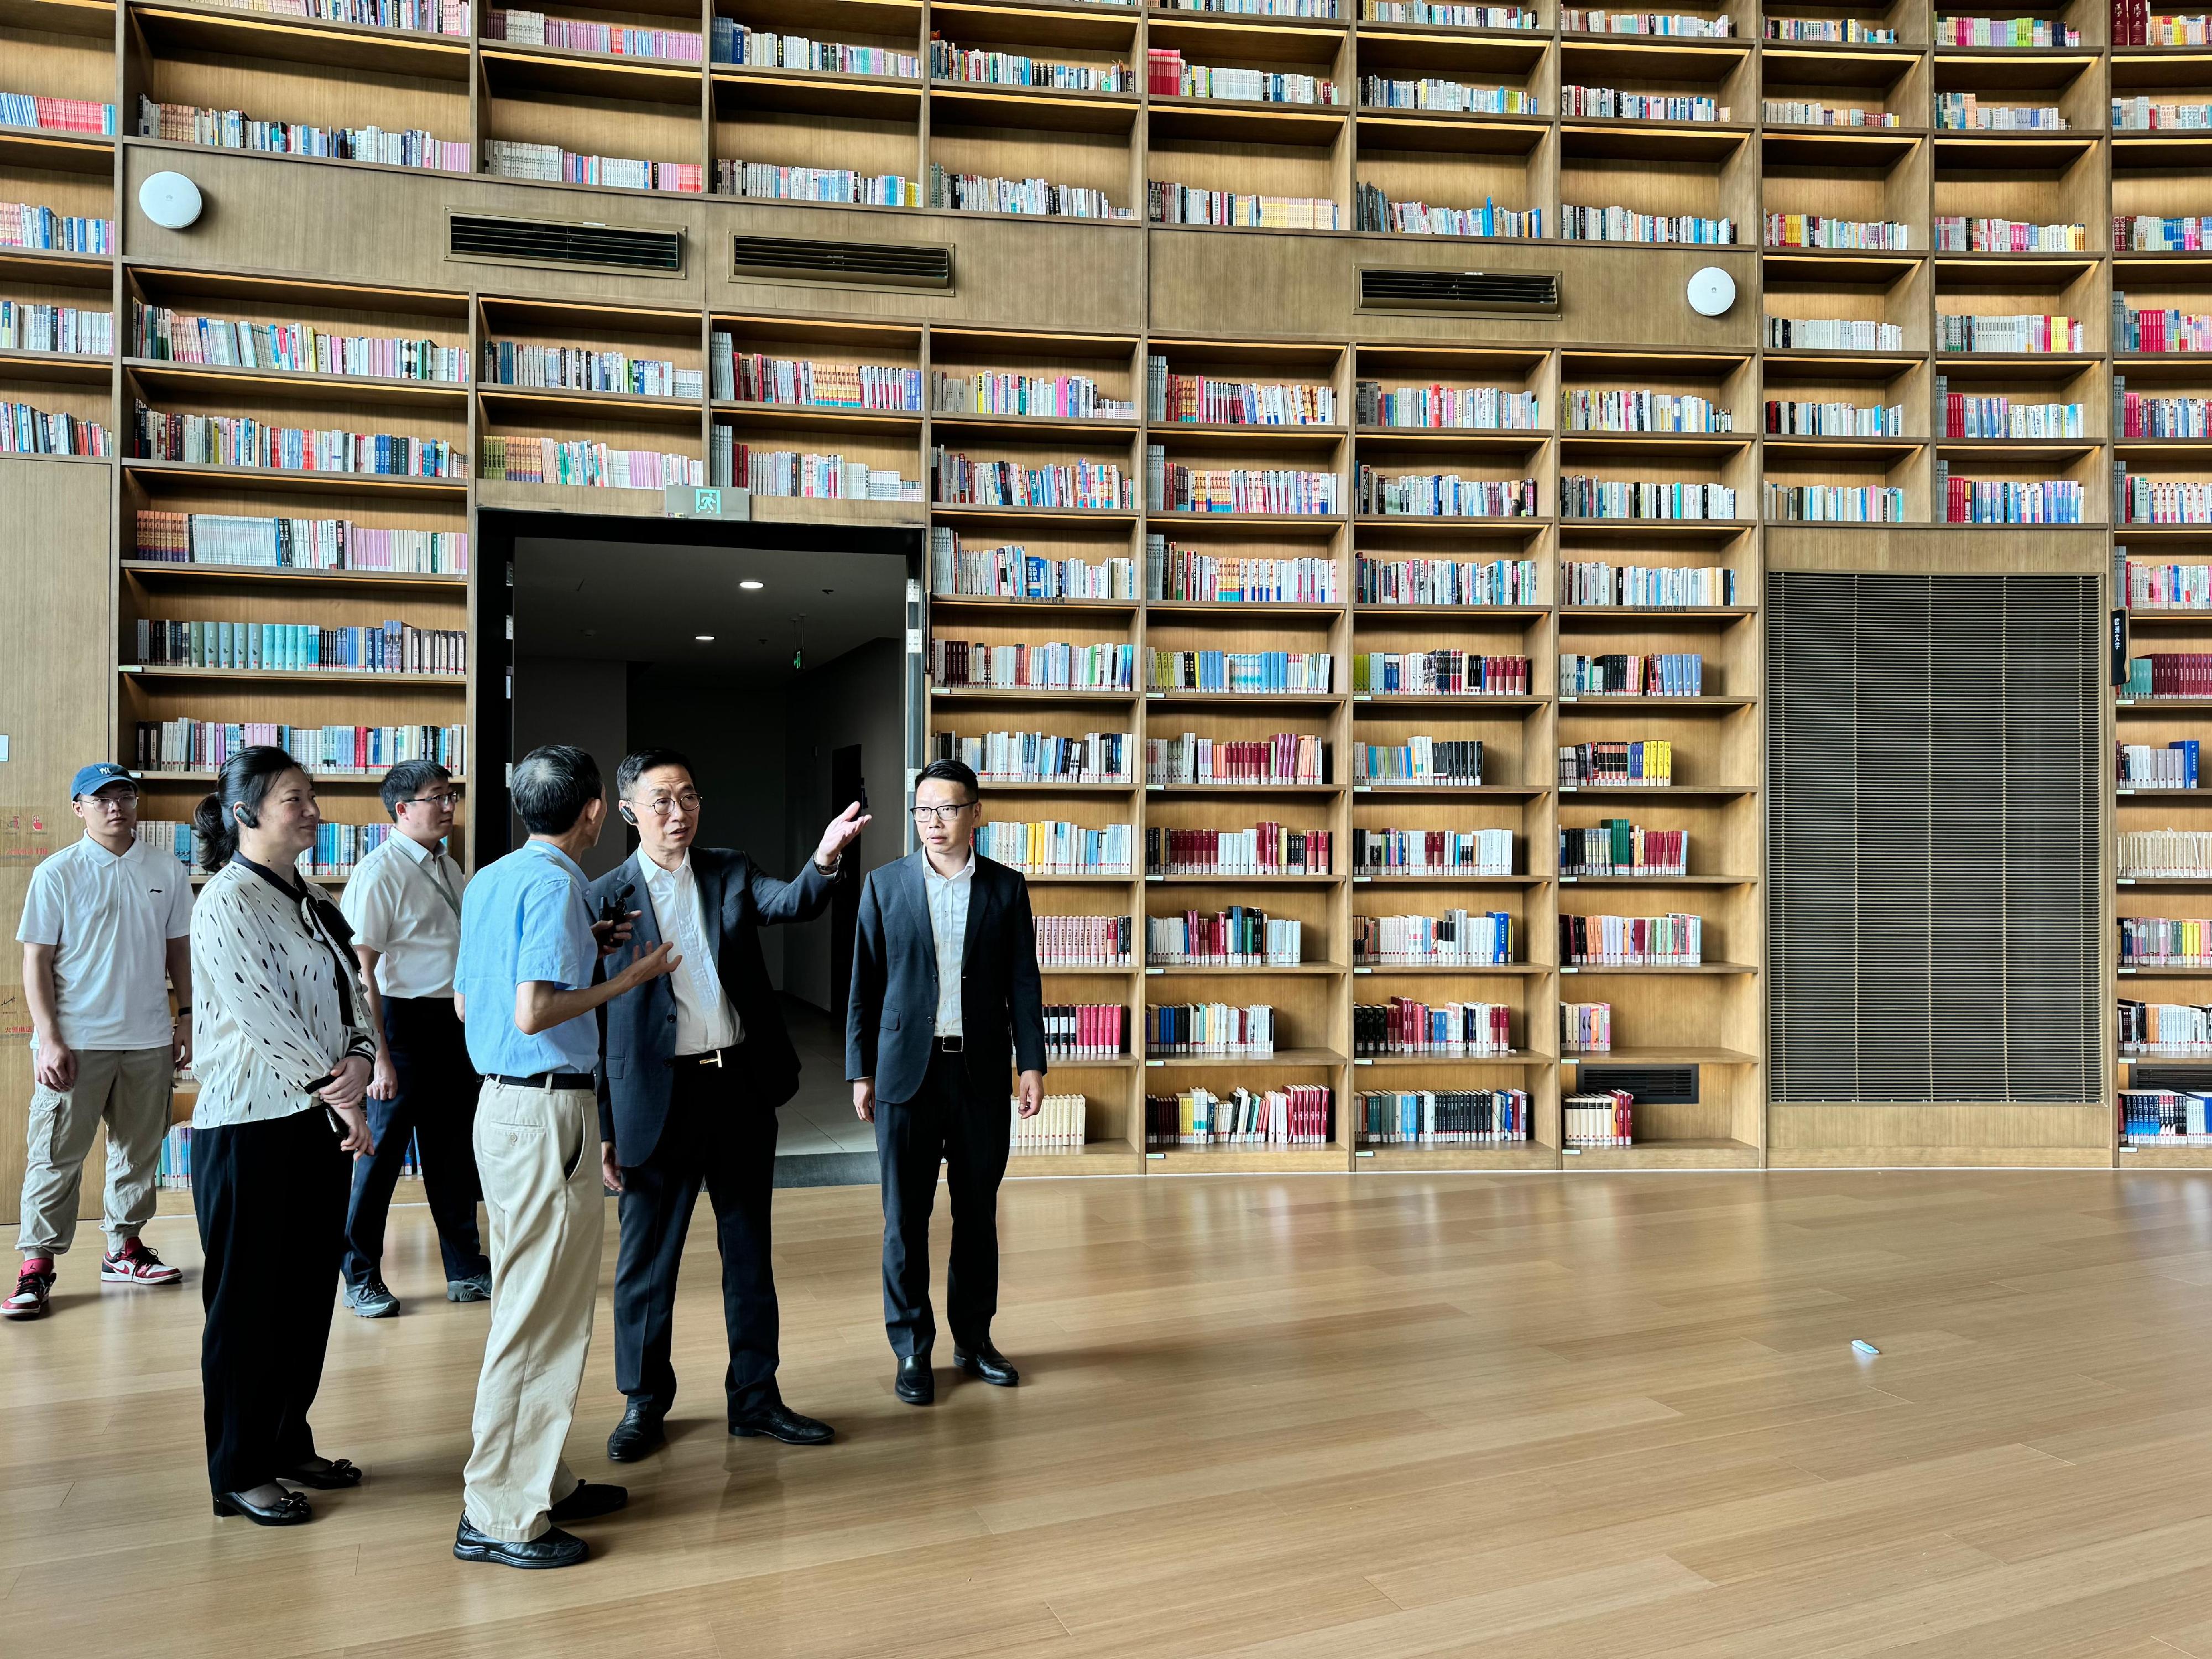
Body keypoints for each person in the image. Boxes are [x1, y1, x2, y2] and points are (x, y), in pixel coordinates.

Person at [591, 748, 869, 1462]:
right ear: (628, 811)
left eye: (687, 796)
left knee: (749, 1252)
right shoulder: (604, 899)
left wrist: (827, 858)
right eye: (660, 801)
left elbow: (792, 901)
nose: (677, 812)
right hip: (658, 1097)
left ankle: (755, 1397)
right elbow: (595, 1027)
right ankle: (643, 1402)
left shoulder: (729, 869)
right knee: (648, 1263)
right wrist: (607, 1128)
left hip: (738, 1088)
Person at [451, 744, 677, 1571]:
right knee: (538, 1315)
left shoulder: (494, 878)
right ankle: (501, 1513)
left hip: (507, 1106)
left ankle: (536, 1477)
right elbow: (536, 1008)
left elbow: (469, 998)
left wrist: (591, 942)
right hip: (545, 1105)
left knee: (532, 1300)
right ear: (592, 812)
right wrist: (633, 973)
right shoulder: (556, 884)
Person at [187, 747, 378, 1526]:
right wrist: (349, 1099)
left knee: (304, 1295)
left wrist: (364, 1056)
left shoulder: (313, 895)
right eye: (294, 799)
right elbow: (270, 1020)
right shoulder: (225, 902)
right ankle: (237, 1468)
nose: (312, 809)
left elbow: (352, 994)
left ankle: (285, 1439)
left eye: (311, 796)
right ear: (246, 814)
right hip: (249, 1129)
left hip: (315, 1121)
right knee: (246, 1305)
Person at [847, 757, 1046, 1406]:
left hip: (980, 1074)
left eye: (948, 809)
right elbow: (864, 988)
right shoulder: (883, 886)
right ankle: (911, 1348)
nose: (934, 822)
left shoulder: (1006, 889)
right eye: (923, 810)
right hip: (907, 1073)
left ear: (976, 813)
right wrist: (860, 1070)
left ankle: (974, 1339)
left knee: (977, 1216)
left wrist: (1032, 1063)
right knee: (903, 1220)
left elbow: (1024, 983)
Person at [6, 763, 194, 1320]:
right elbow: (35, 961)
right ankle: (35, 1266)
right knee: (55, 1156)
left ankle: (124, 1249)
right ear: (78, 808)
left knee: (138, 1152)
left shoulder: (166, 868)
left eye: (126, 795)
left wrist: (185, 1017)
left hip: (149, 1040)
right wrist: (49, 1039)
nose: (117, 806)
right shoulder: (57, 872)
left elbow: (178, 950)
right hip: (77, 1041)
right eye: (102, 798)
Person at [338, 759, 490, 1317]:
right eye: (437, 797)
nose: (449, 806)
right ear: (402, 809)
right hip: (397, 1028)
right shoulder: (379, 872)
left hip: (449, 1025)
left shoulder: (448, 867)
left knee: (453, 1155)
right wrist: (378, 1057)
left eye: (452, 796)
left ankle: (466, 1268)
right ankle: (359, 1276)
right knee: (378, 1161)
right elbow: (363, 974)